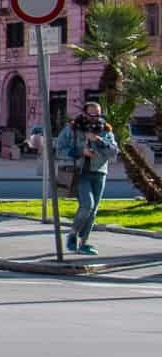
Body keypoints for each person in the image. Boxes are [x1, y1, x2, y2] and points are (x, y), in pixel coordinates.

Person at [56, 102, 118, 255]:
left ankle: (84, 243)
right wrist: (80, 151)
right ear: (84, 114)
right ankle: (73, 234)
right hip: (80, 172)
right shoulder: (72, 129)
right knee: (87, 205)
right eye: (92, 115)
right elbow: (59, 150)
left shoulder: (106, 130)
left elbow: (114, 152)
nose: (96, 118)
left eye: (98, 115)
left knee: (94, 210)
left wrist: (98, 140)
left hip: (99, 172)